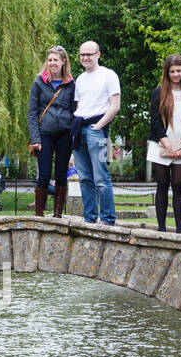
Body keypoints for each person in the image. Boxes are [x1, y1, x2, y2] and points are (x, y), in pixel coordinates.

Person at [71, 40, 121, 226]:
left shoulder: (108, 75)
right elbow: (79, 106)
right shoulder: (81, 79)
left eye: (89, 54)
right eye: (82, 54)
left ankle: (108, 219)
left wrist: (98, 126)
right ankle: (89, 218)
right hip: (79, 129)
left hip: (96, 130)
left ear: (98, 55)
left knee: (101, 177)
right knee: (84, 177)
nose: (85, 57)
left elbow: (115, 106)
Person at [147, 53, 181, 233]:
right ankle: (161, 227)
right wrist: (166, 143)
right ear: (167, 73)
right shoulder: (159, 92)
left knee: (178, 185)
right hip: (160, 144)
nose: (176, 74)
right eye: (172, 71)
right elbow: (155, 120)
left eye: (178, 71)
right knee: (162, 184)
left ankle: (179, 229)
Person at [27, 45, 75, 217]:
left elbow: (74, 110)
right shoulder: (39, 82)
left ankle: (57, 214)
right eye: (50, 60)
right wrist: (35, 138)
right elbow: (32, 112)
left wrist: (73, 134)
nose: (52, 63)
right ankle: (39, 214)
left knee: (62, 174)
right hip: (44, 135)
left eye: (56, 60)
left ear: (63, 62)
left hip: (64, 134)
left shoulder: (70, 84)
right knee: (45, 174)